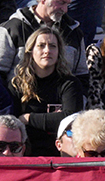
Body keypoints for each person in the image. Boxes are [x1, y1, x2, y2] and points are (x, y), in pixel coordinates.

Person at [0, 0, 87, 77]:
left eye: (68, 4)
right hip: (19, 92)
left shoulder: (73, 32)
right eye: (61, 2)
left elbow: (82, 76)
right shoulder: (12, 29)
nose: (65, 9)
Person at [9, 25, 85, 153]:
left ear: (59, 52)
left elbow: (70, 119)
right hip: (26, 151)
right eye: (41, 45)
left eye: (53, 46)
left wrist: (28, 118)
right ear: (31, 51)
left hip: (60, 152)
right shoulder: (17, 84)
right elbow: (13, 122)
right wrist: (52, 119)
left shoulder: (70, 84)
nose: (47, 50)